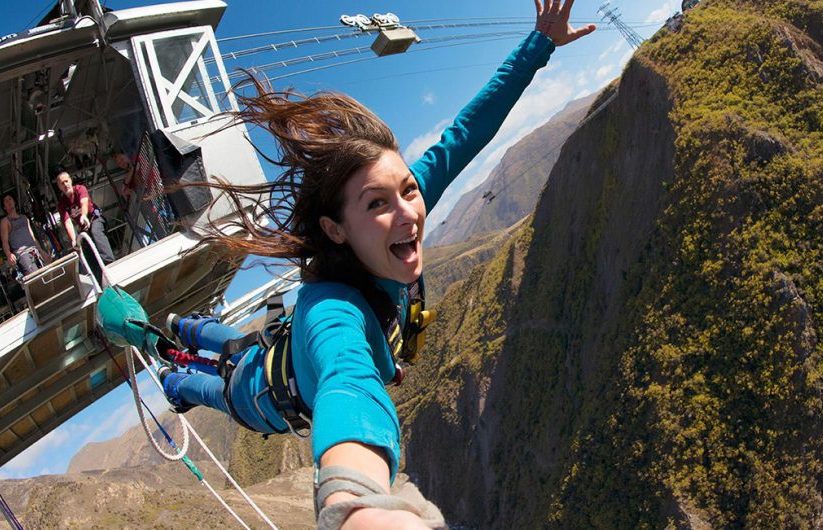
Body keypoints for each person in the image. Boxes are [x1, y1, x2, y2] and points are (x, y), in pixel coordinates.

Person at [158, 2, 594, 528]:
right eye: (376, 203)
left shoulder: (400, 210)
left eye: (408, 189)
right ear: (336, 229)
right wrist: (358, 507)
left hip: (279, 351)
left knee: (234, 346)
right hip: (264, 396)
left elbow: (467, 132)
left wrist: (539, 43)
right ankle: (176, 378)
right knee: (218, 386)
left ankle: (188, 329)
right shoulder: (332, 313)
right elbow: (347, 380)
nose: (407, 212)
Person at [55, 171, 115, 279]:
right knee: (84, 246)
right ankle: (98, 276)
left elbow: (84, 203)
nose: (65, 185)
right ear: (59, 187)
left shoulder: (79, 189)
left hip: (95, 218)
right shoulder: (62, 204)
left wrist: (83, 215)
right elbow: (67, 222)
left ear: (70, 181)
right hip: (84, 228)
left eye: (66, 181)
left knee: (95, 232)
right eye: (62, 184)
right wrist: (73, 239)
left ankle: (109, 263)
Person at [0, 193, 48, 278]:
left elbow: (33, 237)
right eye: (6, 201)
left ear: (14, 202)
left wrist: (42, 251)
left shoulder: (24, 218)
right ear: (4, 207)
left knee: (46, 275)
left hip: (35, 251)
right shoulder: (5, 221)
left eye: (10, 199)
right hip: (22, 254)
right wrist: (8, 254)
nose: (9, 202)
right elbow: (5, 241)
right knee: (35, 278)